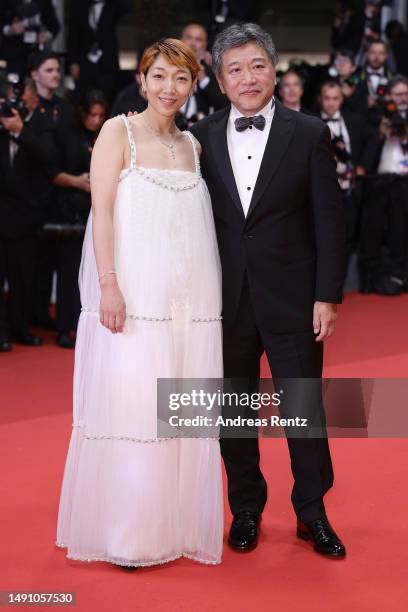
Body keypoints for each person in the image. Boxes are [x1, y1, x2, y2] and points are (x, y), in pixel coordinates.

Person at [56, 38, 224, 568]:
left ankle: (171, 526)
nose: (169, 88)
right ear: (143, 80)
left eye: (180, 78)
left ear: (193, 83)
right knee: (135, 407)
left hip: (188, 304)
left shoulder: (193, 145)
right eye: (159, 77)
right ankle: (130, 536)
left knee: (179, 411)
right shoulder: (116, 131)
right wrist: (108, 283)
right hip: (134, 298)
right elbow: (101, 213)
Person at [191, 23, 347, 558]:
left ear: (274, 70)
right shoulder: (202, 137)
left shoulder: (308, 133)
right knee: (233, 412)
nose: (247, 77)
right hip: (225, 300)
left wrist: (327, 295)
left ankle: (313, 513)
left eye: (257, 65)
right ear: (219, 80)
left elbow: (330, 221)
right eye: (234, 68)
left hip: (294, 298)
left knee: (303, 410)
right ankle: (247, 510)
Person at [49, 90, 109, 349]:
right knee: (68, 273)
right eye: (92, 115)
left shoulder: (106, 134)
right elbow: (51, 172)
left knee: (97, 273)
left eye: (100, 115)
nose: (96, 120)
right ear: (82, 113)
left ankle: (91, 328)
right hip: (69, 212)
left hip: (97, 210)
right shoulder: (66, 134)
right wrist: (78, 182)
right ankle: (64, 327)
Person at [0, 78, 54, 350]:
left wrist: (20, 130)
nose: (15, 106)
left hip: (25, 218)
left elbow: (48, 158)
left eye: (20, 100)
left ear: (34, 100)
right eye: (11, 100)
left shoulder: (40, 126)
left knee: (22, 280)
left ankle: (21, 329)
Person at [318, 80, 378, 268]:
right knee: (321, 236)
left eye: (335, 98)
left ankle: (340, 282)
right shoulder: (308, 120)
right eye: (327, 98)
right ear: (320, 99)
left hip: (349, 190)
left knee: (349, 234)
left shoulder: (355, 120)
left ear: (342, 100)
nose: (331, 103)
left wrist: (363, 166)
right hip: (320, 192)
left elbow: (374, 138)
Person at [67, 0, 132, 104]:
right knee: (80, 97)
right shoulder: (79, 4)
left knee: (109, 97)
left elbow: (128, 7)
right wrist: (73, 62)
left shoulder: (113, 4)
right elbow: (73, 35)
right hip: (84, 60)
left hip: (107, 62)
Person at [0, 0, 60, 76]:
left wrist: (46, 35)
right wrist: (9, 30)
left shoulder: (44, 2)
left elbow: (55, 26)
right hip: (13, 54)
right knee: (14, 83)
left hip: (36, 53)